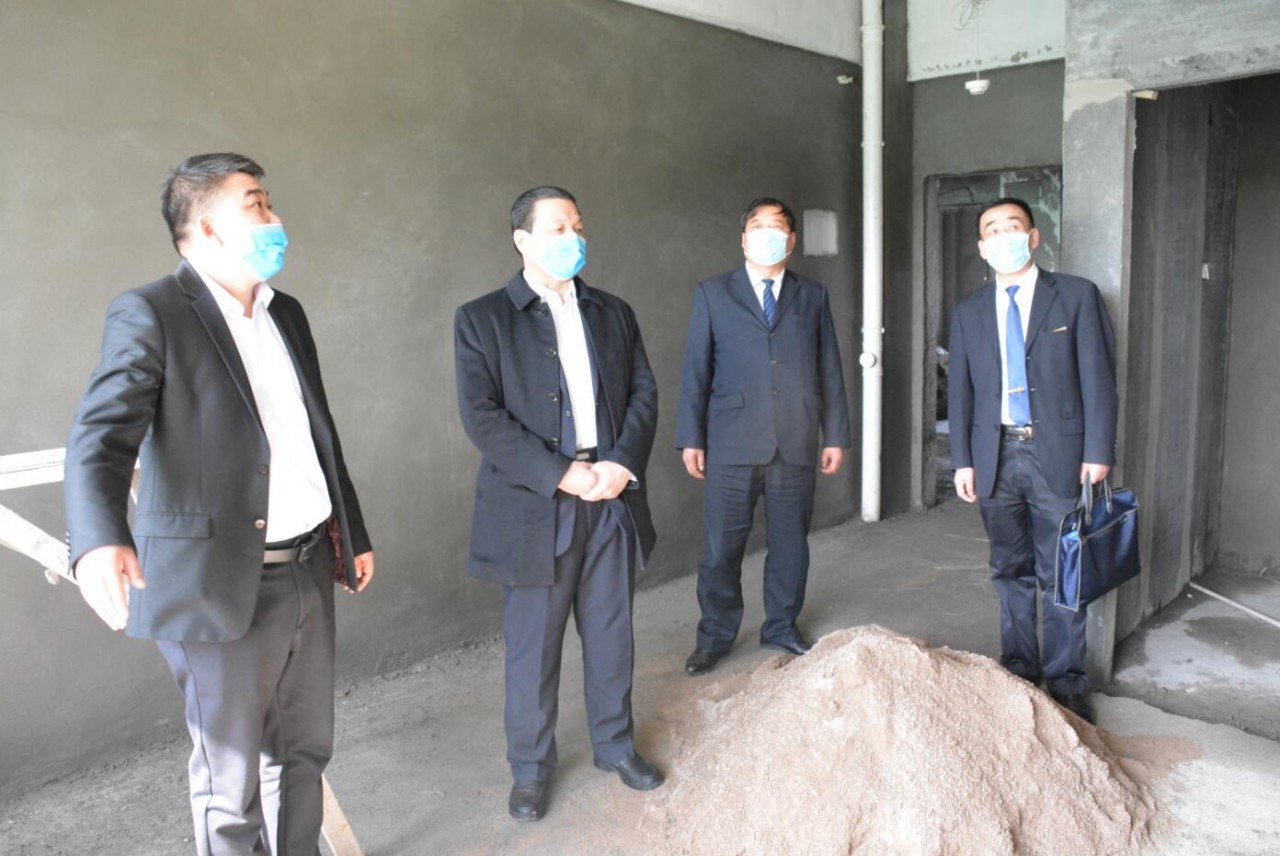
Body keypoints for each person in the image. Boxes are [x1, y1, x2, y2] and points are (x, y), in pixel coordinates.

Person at [64, 153, 375, 855]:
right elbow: (100, 435)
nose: (275, 218)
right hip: (218, 584)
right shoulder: (152, 312)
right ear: (206, 227)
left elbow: (317, 435)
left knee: (304, 754)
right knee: (230, 786)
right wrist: (99, 537)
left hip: (306, 567)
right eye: (256, 205)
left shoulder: (284, 313)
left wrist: (350, 533)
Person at [453, 186, 662, 823]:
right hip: (535, 508)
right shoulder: (482, 319)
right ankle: (531, 770)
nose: (572, 237)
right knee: (532, 649)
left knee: (611, 635)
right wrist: (562, 474)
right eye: (556, 228)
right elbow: (482, 418)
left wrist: (620, 463)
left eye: (577, 225)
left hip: (610, 496)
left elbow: (644, 392)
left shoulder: (612, 312)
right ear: (523, 240)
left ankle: (615, 745)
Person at [948, 197, 1117, 724]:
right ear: (982, 247)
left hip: (1059, 453)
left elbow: (1099, 379)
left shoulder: (1076, 296)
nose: (1004, 238)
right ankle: (1019, 668)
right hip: (994, 454)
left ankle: (1066, 682)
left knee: (1063, 570)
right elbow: (961, 394)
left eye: (1013, 227)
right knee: (1008, 568)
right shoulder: (969, 311)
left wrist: (1098, 450)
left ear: (1034, 236)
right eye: (993, 231)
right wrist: (963, 460)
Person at [675, 197, 851, 677]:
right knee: (720, 549)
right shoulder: (714, 293)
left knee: (791, 544)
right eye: (758, 225)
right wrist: (691, 438)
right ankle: (714, 636)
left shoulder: (812, 295)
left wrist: (835, 435)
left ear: (791, 240)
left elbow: (829, 367)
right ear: (743, 238)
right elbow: (695, 370)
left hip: (795, 437)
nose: (767, 233)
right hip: (730, 442)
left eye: (777, 227)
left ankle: (781, 626)